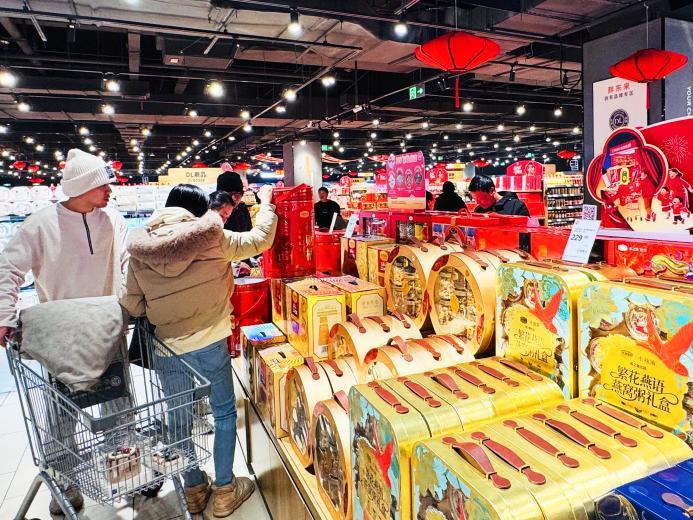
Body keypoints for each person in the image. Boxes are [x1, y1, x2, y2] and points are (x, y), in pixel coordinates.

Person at [120, 183, 278, 517]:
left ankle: (193, 489)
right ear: (196, 210)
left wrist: (163, 308)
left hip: (167, 346)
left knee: (178, 419)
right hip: (211, 339)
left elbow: (132, 303)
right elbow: (260, 240)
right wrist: (267, 205)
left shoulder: (141, 249)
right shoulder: (211, 236)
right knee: (223, 413)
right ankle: (224, 491)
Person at [0, 148, 129, 515]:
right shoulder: (40, 224)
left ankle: (129, 471)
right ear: (83, 185)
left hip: (108, 328)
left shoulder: (113, 219)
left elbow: (126, 262)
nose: (110, 189)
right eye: (103, 183)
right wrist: (4, 315)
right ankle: (65, 486)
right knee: (63, 418)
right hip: (61, 338)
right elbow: (7, 268)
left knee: (120, 406)